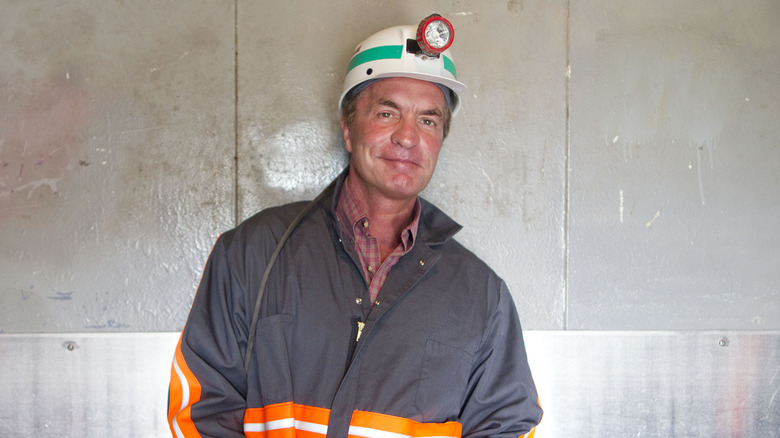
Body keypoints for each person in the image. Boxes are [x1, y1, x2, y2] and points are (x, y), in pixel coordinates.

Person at [168, 14, 542, 438]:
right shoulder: (252, 255)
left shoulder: (481, 295)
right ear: (348, 129)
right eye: (387, 113)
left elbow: (506, 424)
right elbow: (201, 408)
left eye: (428, 120)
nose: (407, 136)